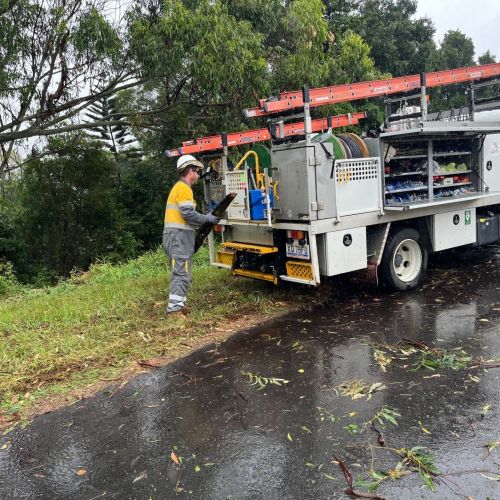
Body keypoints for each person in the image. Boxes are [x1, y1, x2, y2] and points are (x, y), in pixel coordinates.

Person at [163, 154, 219, 315]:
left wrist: (202, 218)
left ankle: (179, 305)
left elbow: (187, 216)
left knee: (183, 271)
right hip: (178, 237)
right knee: (181, 273)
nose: (198, 176)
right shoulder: (183, 188)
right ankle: (174, 311)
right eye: (197, 171)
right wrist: (206, 218)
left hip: (177, 237)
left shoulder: (180, 189)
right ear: (190, 171)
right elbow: (188, 213)